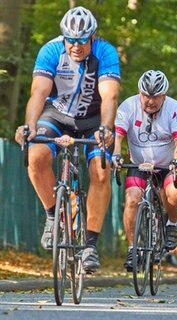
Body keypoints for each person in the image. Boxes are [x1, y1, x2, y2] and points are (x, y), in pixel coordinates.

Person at [14, 6, 120, 273]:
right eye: (70, 39)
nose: (76, 46)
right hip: (57, 114)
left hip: (93, 119)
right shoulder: (50, 50)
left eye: (82, 40)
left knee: (100, 172)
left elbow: (110, 97)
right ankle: (52, 215)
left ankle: (90, 245)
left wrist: (106, 128)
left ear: (92, 37)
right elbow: (38, 93)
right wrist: (29, 126)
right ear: (63, 37)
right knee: (36, 155)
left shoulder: (105, 52)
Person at [112, 70, 177, 271]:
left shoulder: (174, 108)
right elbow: (118, 136)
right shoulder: (128, 106)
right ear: (140, 93)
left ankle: (171, 224)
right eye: (146, 95)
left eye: (155, 96)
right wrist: (116, 154)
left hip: (167, 165)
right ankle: (133, 249)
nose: (150, 101)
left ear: (164, 95)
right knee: (132, 199)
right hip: (139, 165)